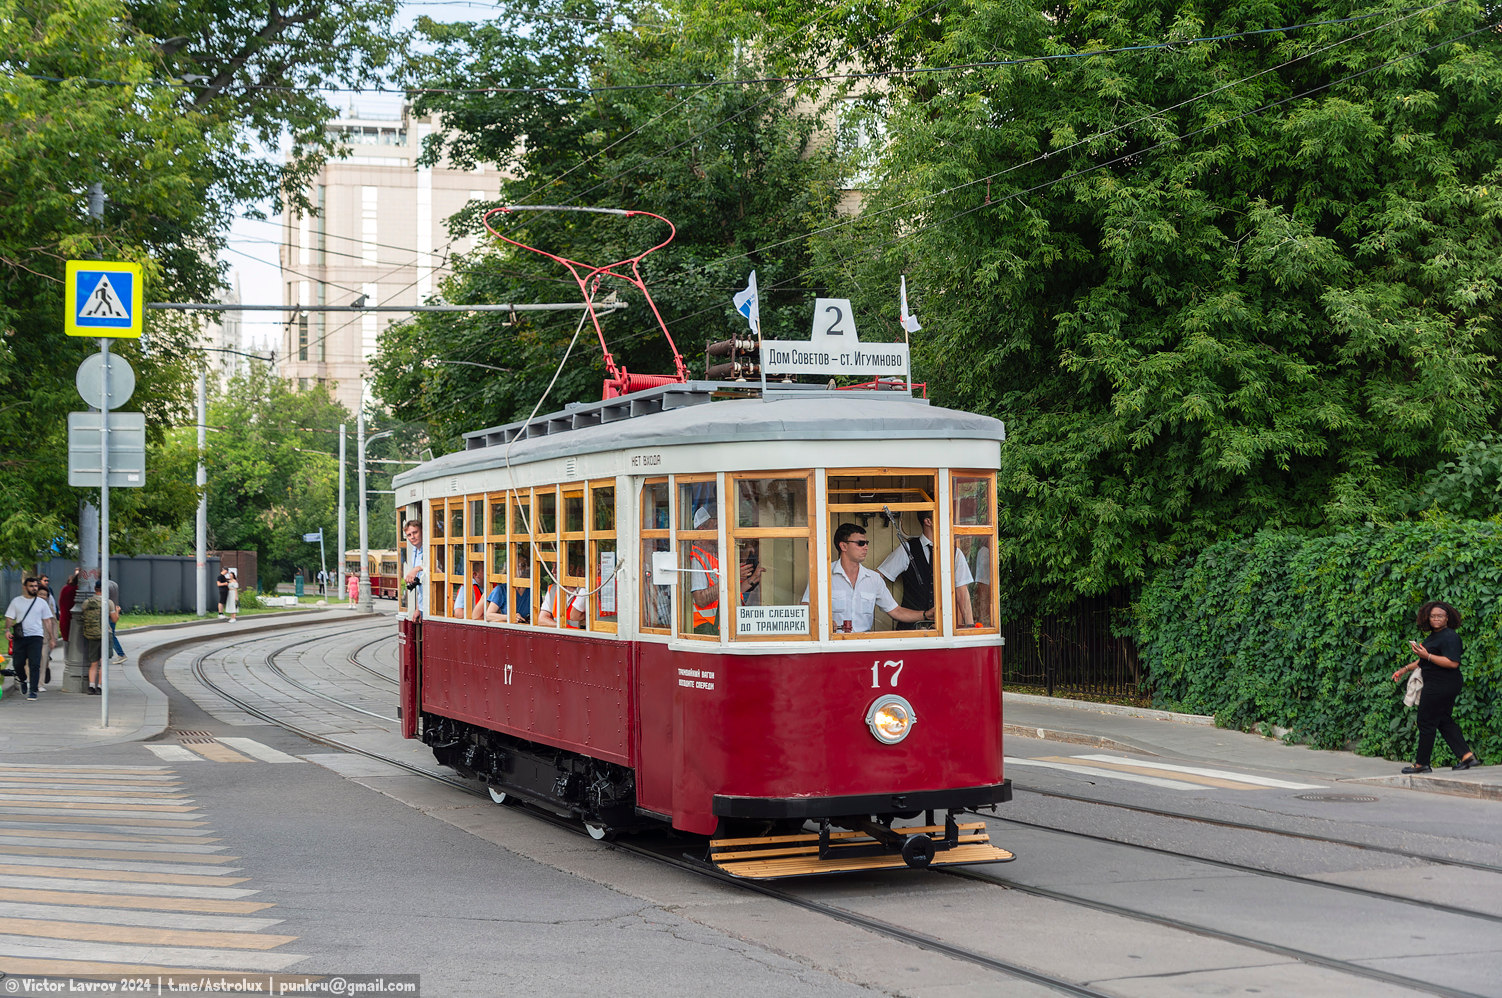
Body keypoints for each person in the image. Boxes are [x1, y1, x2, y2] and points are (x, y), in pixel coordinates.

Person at [1392, 601, 1480, 773]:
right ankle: (1466, 756)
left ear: (1447, 618)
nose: (1436, 619)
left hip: (1442, 684)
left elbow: (1452, 663)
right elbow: (1423, 660)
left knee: (1426, 721)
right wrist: (1404, 669)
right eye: (1433, 616)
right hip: (1439, 683)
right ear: (1428, 618)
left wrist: (1428, 655)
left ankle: (1421, 764)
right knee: (1443, 720)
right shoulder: (1433, 637)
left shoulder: (1450, 636)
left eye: (1440, 616)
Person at [803, 524, 929, 633]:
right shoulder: (823, 574)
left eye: (866, 543)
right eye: (860, 543)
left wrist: (926, 615)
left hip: (864, 645)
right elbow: (806, 606)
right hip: (832, 644)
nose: (866, 547)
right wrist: (823, 622)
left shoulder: (874, 579)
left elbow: (896, 611)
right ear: (843, 546)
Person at [876, 513, 975, 628]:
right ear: (928, 521)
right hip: (910, 630)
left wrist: (970, 627)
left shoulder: (954, 553)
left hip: (943, 630)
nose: (950, 522)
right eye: (945, 517)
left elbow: (962, 593)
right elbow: (876, 578)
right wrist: (892, 608)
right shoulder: (907, 549)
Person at [5, 577, 55, 700]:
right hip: (20, 637)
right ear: (25, 587)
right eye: (31, 586)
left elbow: (47, 620)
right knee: (18, 663)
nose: (34, 588)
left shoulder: (41, 603)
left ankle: (33, 690)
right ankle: (22, 679)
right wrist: (7, 630)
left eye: (35, 586)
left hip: (36, 637)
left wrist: (52, 638)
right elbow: (9, 618)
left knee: (35, 664)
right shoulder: (16, 601)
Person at [78, 589, 117, 696]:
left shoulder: (87, 602)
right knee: (103, 662)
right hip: (105, 634)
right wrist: (117, 611)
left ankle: (91, 686)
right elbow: (114, 619)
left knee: (93, 663)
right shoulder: (108, 602)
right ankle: (99, 686)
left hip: (92, 634)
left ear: (95, 589)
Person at [688, 506, 720, 635]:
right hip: (705, 627)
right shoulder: (697, 558)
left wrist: (751, 580)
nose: (720, 530)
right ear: (702, 529)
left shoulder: (714, 555)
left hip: (715, 624)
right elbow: (700, 600)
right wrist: (732, 579)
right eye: (716, 526)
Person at [403, 519, 426, 620]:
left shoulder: (430, 548)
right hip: (422, 605)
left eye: (415, 532)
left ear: (422, 531)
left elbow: (438, 570)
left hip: (434, 605)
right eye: (409, 535)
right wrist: (417, 608)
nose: (412, 537)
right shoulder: (414, 551)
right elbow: (418, 585)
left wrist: (417, 569)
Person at [57, 568, 79, 646]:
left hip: (64, 619)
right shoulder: (77, 589)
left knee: (66, 641)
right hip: (73, 620)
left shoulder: (65, 588)